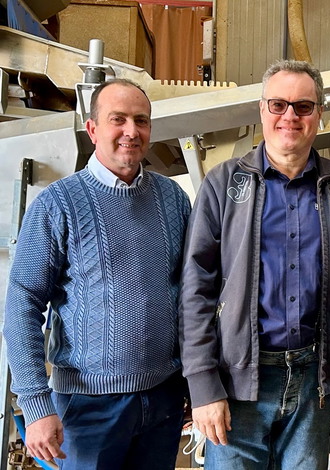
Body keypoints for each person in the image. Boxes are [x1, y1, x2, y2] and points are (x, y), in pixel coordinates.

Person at [178, 59, 330, 469]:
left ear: (319, 113)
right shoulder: (223, 184)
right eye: (278, 104)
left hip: (315, 382)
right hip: (238, 382)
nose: (290, 116)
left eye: (303, 106)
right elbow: (196, 289)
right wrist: (203, 385)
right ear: (262, 110)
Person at [3, 78, 191, 470]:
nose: (131, 131)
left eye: (141, 120)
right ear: (92, 129)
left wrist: (194, 381)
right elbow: (22, 303)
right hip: (89, 406)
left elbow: (191, 294)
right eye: (117, 119)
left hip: (164, 398)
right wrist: (35, 403)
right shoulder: (57, 204)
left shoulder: (173, 198)